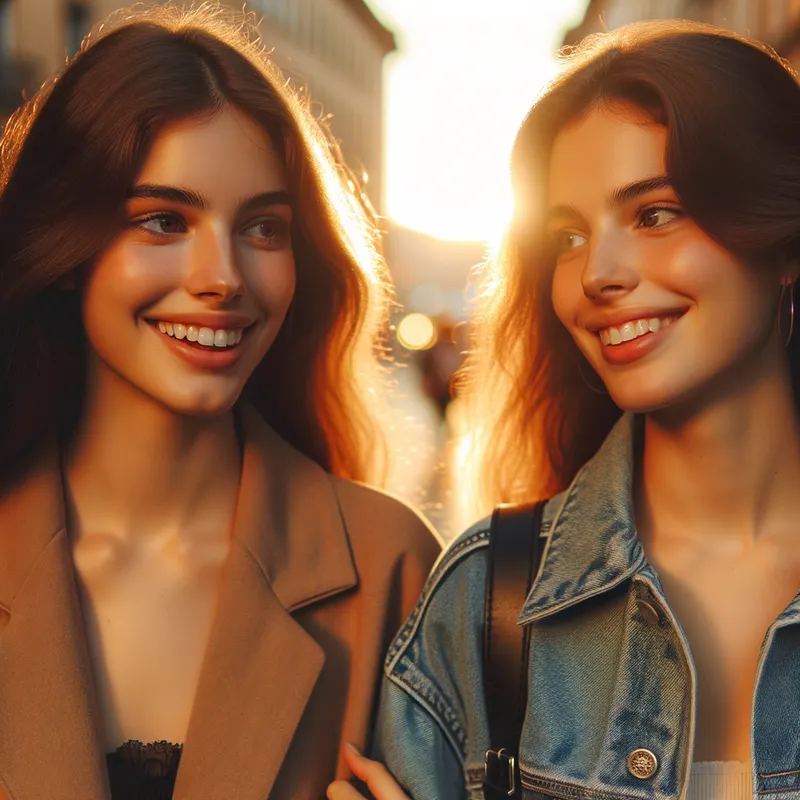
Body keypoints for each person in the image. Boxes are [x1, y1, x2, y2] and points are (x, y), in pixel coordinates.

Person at [327, 18, 800, 800]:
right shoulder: (484, 604)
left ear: (784, 242)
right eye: (569, 236)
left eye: (655, 213)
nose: (598, 274)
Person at [0, 3, 441, 798]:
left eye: (264, 228)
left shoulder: (393, 567)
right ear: (66, 249)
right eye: (164, 221)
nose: (225, 277)